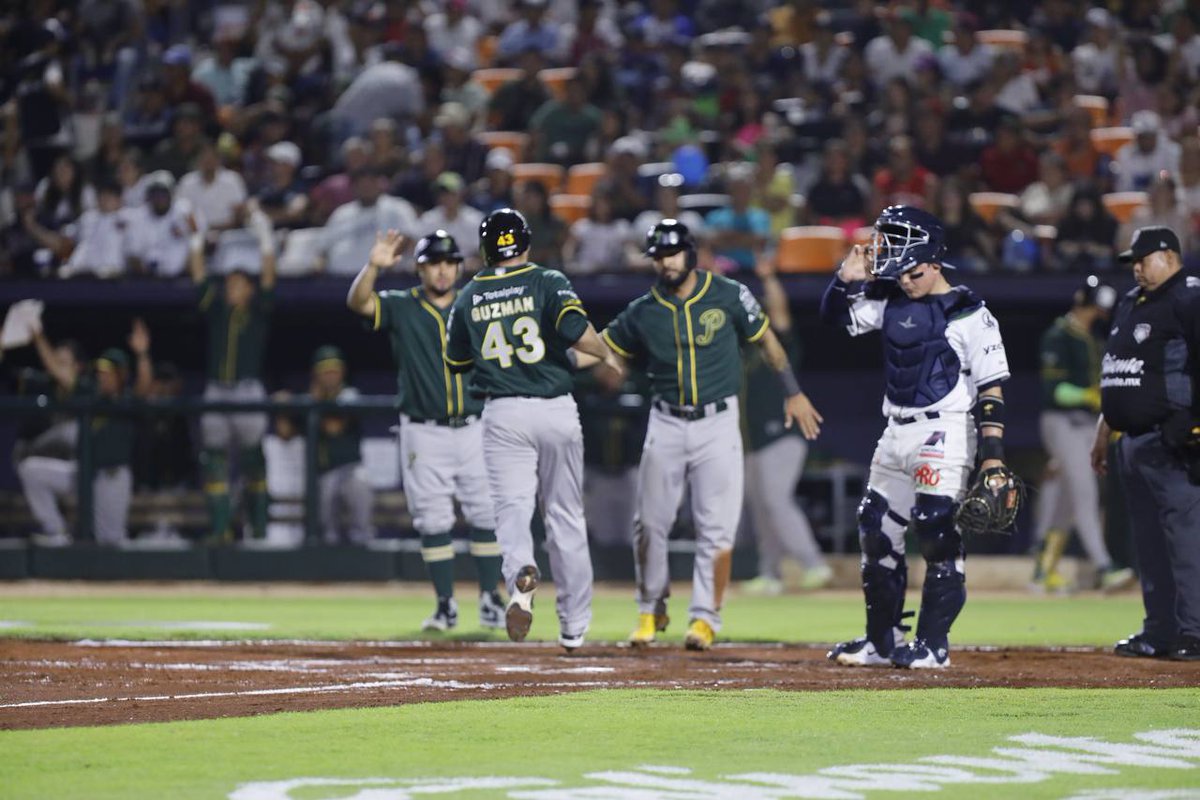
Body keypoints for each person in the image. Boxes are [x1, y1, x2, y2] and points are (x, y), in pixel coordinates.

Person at [598, 220, 823, 650]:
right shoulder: (643, 310)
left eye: (672, 253)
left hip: (718, 423)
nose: (666, 262)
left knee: (716, 529)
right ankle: (650, 609)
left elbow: (768, 340)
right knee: (649, 524)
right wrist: (559, 355)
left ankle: (704, 618)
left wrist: (793, 392)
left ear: (691, 252)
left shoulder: (728, 293)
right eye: (659, 256)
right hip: (665, 421)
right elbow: (604, 347)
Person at [820, 205, 1012, 669]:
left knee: (935, 526)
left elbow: (991, 389)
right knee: (874, 527)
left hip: (944, 427)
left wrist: (993, 458)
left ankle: (933, 645)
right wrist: (843, 279)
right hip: (895, 429)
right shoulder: (889, 299)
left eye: (915, 272)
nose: (906, 280)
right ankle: (881, 640)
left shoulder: (970, 311)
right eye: (901, 272)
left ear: (935, 261)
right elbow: (834, 322)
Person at [444, 209, 615, 651]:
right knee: (565, 517)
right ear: (525, 242)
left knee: (513, 510)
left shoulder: (468, 296)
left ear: (485, 247)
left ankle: (520, 576)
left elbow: (457, 362)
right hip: (555, 407)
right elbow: (580, 335)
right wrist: (605, 354)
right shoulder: (548, 280)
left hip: (503, 412)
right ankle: (574, 626)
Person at [348, 230, 504, 632]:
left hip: (474, 425)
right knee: (433, 520)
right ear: (420, 267)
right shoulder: (404, 306)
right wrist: (373, 267)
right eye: (435, 262)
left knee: (487, 512)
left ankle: (491, 599)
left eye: (449, 262)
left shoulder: (476, 303)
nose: (442, 270)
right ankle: (446, 605)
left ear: (459, 266)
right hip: (424, 429)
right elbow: (359, 302)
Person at [1092, 226, 1200, 661]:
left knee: (1186, 539)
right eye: (1132, 261)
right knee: (1149, 545)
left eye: (1143, 258)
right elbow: (1120, 370)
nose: (1136, 267)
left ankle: (1194, 630)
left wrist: (1195, 422)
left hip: (1173, 442)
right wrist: (1104, 431)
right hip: (1131, 442)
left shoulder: (1188, 298)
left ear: (1170, 256)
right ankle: (1159, 629)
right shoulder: (1132, 302)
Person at [1032, 277, 1135, 593]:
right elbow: (1055, 390)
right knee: (1086, 492)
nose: (1097, 315)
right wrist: (1088, 395)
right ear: (1083, 304)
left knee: (1067, 500)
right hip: (1061, 422)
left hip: (1086, 425)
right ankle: (1105, 566)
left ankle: (1043, 570)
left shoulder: (1092, 337)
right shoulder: (1058, 335)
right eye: (1094, 309)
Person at [740, 256, 833, 595]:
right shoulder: (743, 351)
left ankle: (813, 564)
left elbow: (779, 313)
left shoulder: (775, 343)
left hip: (783, 434)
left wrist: (769, 278)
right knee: (762, 508)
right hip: (751, 441)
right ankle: (770, 573)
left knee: (776, 500)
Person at [18, 320, 153, 546]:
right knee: (31, 470)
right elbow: (57, 371)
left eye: (109, 372)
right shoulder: (89, 391)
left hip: (111, 477)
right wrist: (39, 337)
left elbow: (145, 386)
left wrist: (143, 355)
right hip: (83, 473)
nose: (103, 376)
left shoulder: (128, 400)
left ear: (121, 375)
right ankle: (57, 532)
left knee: (110, 541)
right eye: (101, 371)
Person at [190, 205, 276, 543]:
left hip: (247, 390)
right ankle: (220, 530)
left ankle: (260, 530)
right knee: (213, 461)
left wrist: (265, 238)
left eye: (238, 283)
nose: (231, 287)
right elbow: (198, 274)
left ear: (248, 288)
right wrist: (198, 238)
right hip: (216, 389)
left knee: (254, 461)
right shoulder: (216, 310)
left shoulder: (258, 310)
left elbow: (269, 277)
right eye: (229, 282)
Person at [308, 346, 374, 546]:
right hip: (323, 472)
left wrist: (317, 402)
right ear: (316, 374)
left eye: (334, 371)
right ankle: (328, 549)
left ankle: (363, 543)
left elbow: (334, 427)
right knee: (326, 495)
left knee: (360, 483)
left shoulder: (350, 395)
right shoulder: (310, 400)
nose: (330, 376)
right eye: (325, 371)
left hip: (351, 468)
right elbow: (285, 432)